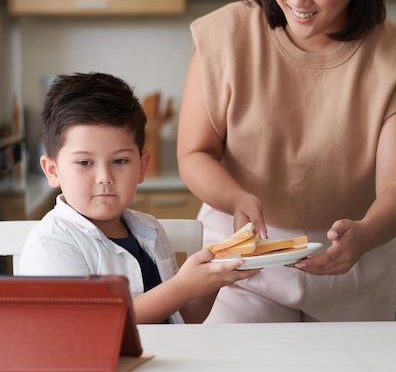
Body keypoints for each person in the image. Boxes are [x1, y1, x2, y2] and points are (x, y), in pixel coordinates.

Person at [177, 0, 396, 322]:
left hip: (355, 259)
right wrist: (235, 197)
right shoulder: (222, 38)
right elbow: (194, 153)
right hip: (245, 254)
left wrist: (363, 236)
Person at [20, 72, 259, 324]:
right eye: (84, 162)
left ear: (142, 167)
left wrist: (213, 277)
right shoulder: (51, 243)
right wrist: (183, 287)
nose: (104, 177)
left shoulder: (151, 231)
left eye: (120, 161)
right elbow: (92, 325)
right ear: (53, 171)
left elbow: (184, 318)